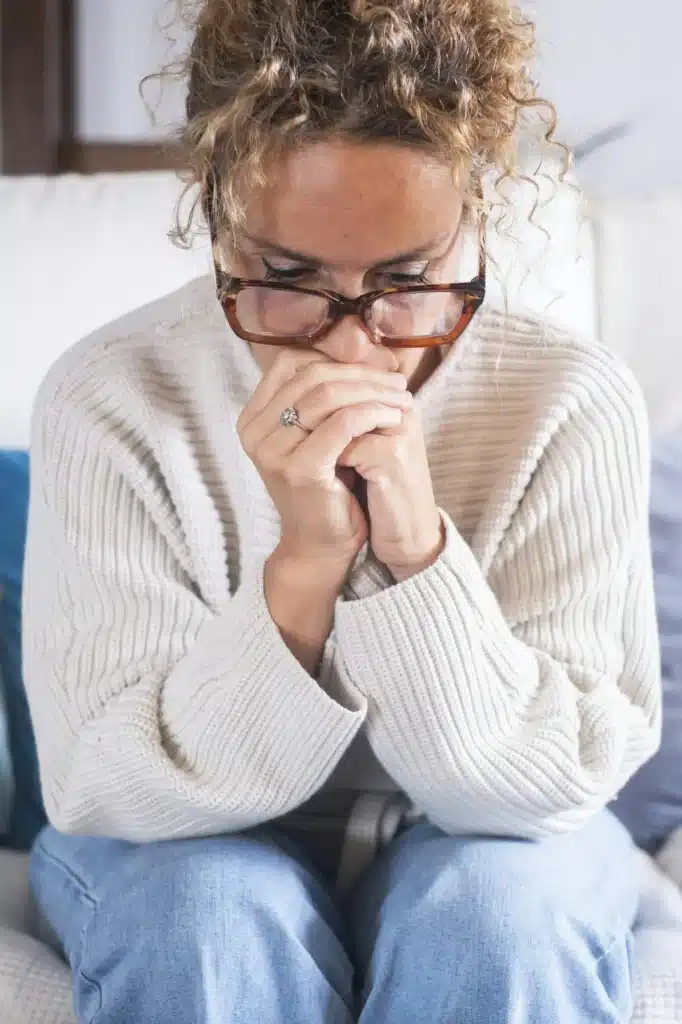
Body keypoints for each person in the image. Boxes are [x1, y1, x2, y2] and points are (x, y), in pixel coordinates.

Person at [23, 1, 661, 1022]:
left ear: (478, 221)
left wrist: (414, 550)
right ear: (216, 211)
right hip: (178, 849)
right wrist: (303, 566)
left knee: (495, 916)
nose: (352, 353)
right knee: (212, 915)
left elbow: (551, 785)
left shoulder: (570, 399)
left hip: (488, 844)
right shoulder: (111, 395)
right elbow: (111, 786)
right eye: (285, 280)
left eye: (408, 282)